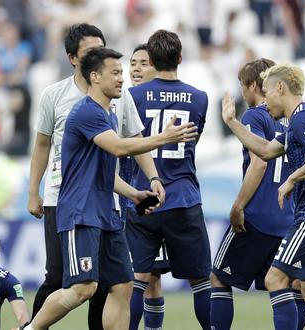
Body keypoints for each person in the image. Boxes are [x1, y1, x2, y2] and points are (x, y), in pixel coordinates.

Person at [24, 47, 198, 330]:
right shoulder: (86, 112)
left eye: (121, 72)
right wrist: (163, 138)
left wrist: (133, 193)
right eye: (115, 73)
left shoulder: (109, 115)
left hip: (107, 214)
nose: (122, 79)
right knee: (84, 288)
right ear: (95, 76)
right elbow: (119, 147)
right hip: (81, 212)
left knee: (122, 284)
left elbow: (105, 171)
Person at [221, 63, 305, 330]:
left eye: (266, 92)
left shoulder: (302, 117)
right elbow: (265, 150)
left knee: (275, 279)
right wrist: (231, 122)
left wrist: (292, 178)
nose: (265, 101)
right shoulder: (297, 123)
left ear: (280, 87)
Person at [126, 29, 212, 330]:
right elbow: (192, 142)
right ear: (179, 57)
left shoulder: (131, 96)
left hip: (142, 198)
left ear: (152, 59)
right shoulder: (199, 98)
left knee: (137, 279)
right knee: (201, 280)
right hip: (183, 196)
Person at [209, 58, 296, 330]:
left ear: (255, 86)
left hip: (256, 216)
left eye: (243, 86)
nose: (243, 93)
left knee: (218, 278)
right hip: (285, 218)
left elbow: (259, 162)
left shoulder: (255, 115)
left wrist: (238, 206)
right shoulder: (290, 120)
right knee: (282, 286)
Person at [119, 43, 171, 330]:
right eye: (133, 62)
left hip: (150, 197)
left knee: (150, 276)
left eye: (144, 63)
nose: (136, 68)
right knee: (140, 276)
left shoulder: (135, 101)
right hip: (130, 195)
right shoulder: (120, 99)